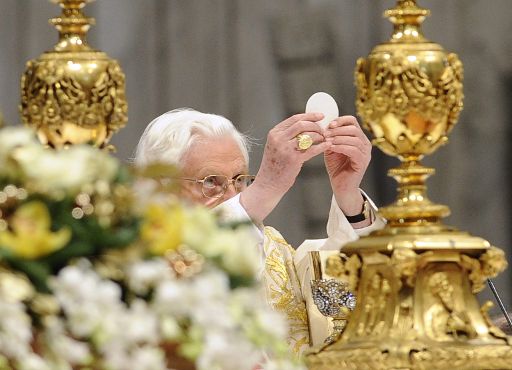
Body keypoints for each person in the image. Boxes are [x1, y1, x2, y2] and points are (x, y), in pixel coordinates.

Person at [134, 108, 385, 354]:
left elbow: (346, 293)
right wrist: (268, 186)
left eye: (240, 179)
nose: (232, 195)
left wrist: (348, 197)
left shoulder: (273, 247)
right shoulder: (139, 258)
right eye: (211, 182)